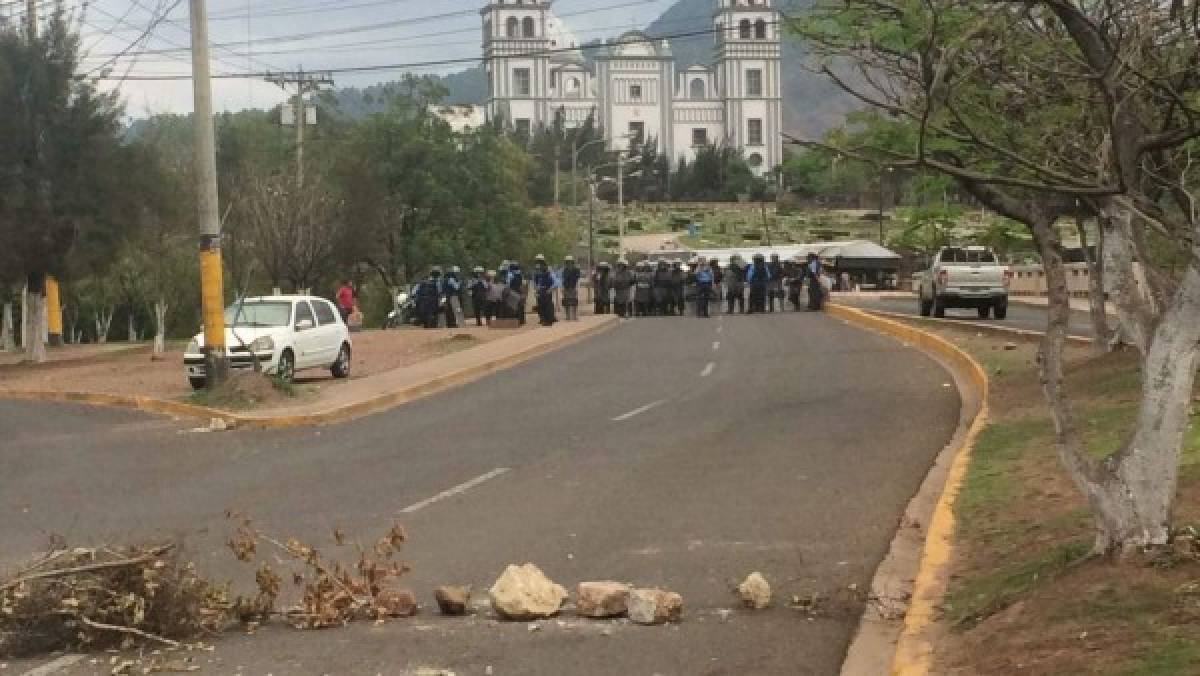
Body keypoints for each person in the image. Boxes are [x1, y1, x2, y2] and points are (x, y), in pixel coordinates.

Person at [532, 254, 557, 326]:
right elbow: (535, 281)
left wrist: (550, 289)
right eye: (537, 261)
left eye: (540, 261)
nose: (538, 263)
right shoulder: (536, 271)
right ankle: (542, 319)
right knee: (540, 306)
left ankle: (548, 320)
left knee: (547, 306)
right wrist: (536, 290)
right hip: (540, 291)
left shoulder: (549, 270)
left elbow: (555, 282)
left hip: (547, 290)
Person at [561, 256, 582, 321]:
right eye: (567, 262)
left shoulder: (576, 269)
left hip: (573, 287)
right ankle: (567, 316)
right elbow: (563, 279)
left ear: (572, 262)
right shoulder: (565, 270)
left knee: (574, 302)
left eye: (570, 261)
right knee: (566, 302)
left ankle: (575, 316)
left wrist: (577, 287)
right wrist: (562, 288)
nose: (569, 263)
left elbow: (578, 279)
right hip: (566, 287)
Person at [507, 261, 526, 325]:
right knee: (520, 306)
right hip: (519, 291)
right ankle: (521, 321)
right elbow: (523, 284)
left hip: (512, 291)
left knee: (513, 306)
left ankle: (514, 320)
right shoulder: (520, 274)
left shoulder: (510, 274)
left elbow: (508, 284)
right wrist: (523, 293)